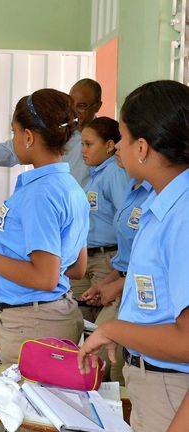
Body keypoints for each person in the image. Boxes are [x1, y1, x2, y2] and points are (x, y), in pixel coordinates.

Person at [78, 80, 189, 432]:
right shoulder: (162, 202)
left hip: (170, 389)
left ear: (142, 147)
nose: (118, 151)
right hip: (155, 384)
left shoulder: (183, 215)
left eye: (122, 139)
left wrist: (116, 328)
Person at [0, 89, 89, 364]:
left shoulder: (40, 195)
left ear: (29, 137)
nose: (13, 140)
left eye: (15, 132)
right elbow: (77, 268)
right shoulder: (71, 188)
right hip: (55, 314)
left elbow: (45, 277)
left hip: (32, 325)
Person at [80, 120, 151, 383]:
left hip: (133, 291)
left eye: (123, 140)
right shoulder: (134, 190)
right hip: (120, 278)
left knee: (111, 360)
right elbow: (129, 253)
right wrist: (112, 281)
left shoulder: (153, 196)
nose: (119, 147)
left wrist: (117, 284)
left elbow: (146, 260)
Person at [0, 78, 103, 187]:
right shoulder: (57, 129)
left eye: (82, 106)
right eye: (71, 103)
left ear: (97, 106)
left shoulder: (107, 140)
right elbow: (10, 150)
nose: (75, 111)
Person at [73, 118, 129, 323]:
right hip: (87, 259)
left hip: (106, 259)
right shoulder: (95, 174)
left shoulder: (114, 172)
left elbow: (125, 218)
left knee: (101, 325)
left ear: (109, 146)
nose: (83, 150)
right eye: (82, 144)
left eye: (89, 144)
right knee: (79, 319)